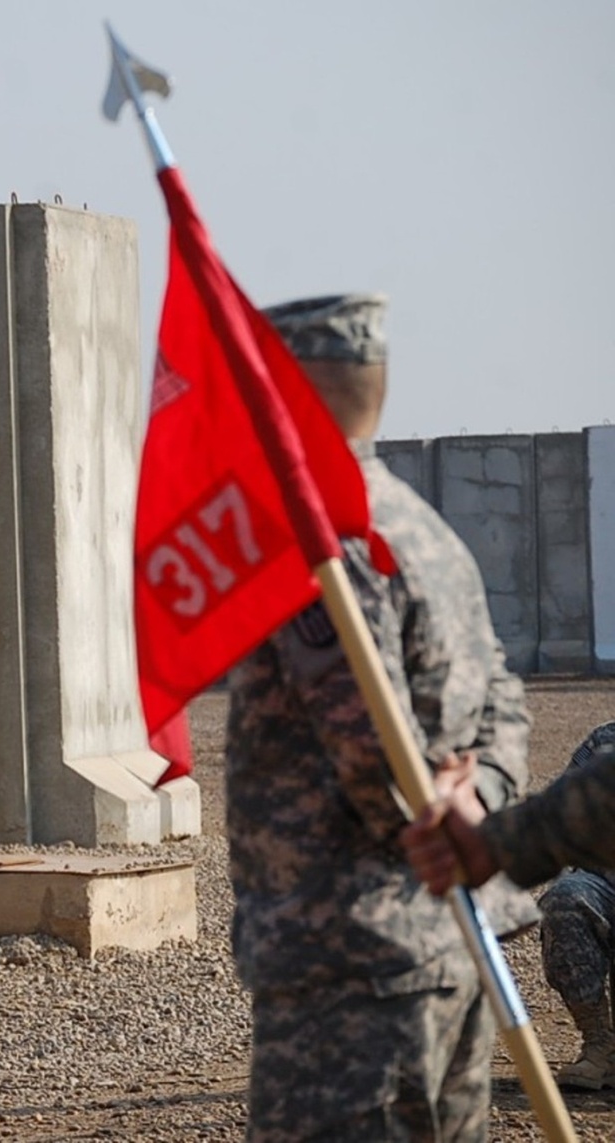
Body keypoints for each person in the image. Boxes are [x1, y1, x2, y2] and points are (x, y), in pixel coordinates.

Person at [226, 293, 538, 1141]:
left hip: (350, 968)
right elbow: (503, 692)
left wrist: (434, 810)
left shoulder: (326, 542)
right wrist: (484, 798)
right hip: (452, 950)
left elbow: (372, 756)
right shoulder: (427, 528)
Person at [403, 722, 615, 1090]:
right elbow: (568, 811)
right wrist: (496, 844)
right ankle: (600, 1046)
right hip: (604, 882)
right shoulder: (604, 740)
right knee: (566, 899)